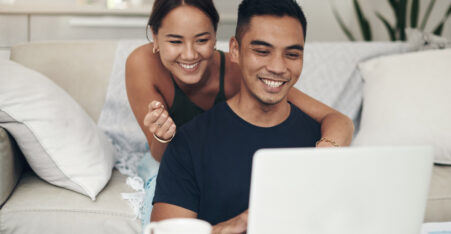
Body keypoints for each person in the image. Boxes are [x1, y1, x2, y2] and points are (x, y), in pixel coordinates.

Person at [125, 0, 353, 228]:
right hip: (166, 150)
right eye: (175, 41)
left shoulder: (243, 71)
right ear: (155, 36)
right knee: (159, 187)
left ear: (215, 37)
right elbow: (161, 154)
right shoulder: (143, 64)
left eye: (202, 40)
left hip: (217, 148)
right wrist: (163, 135)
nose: (189, 54)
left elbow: (337, 119)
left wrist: (322, 157)